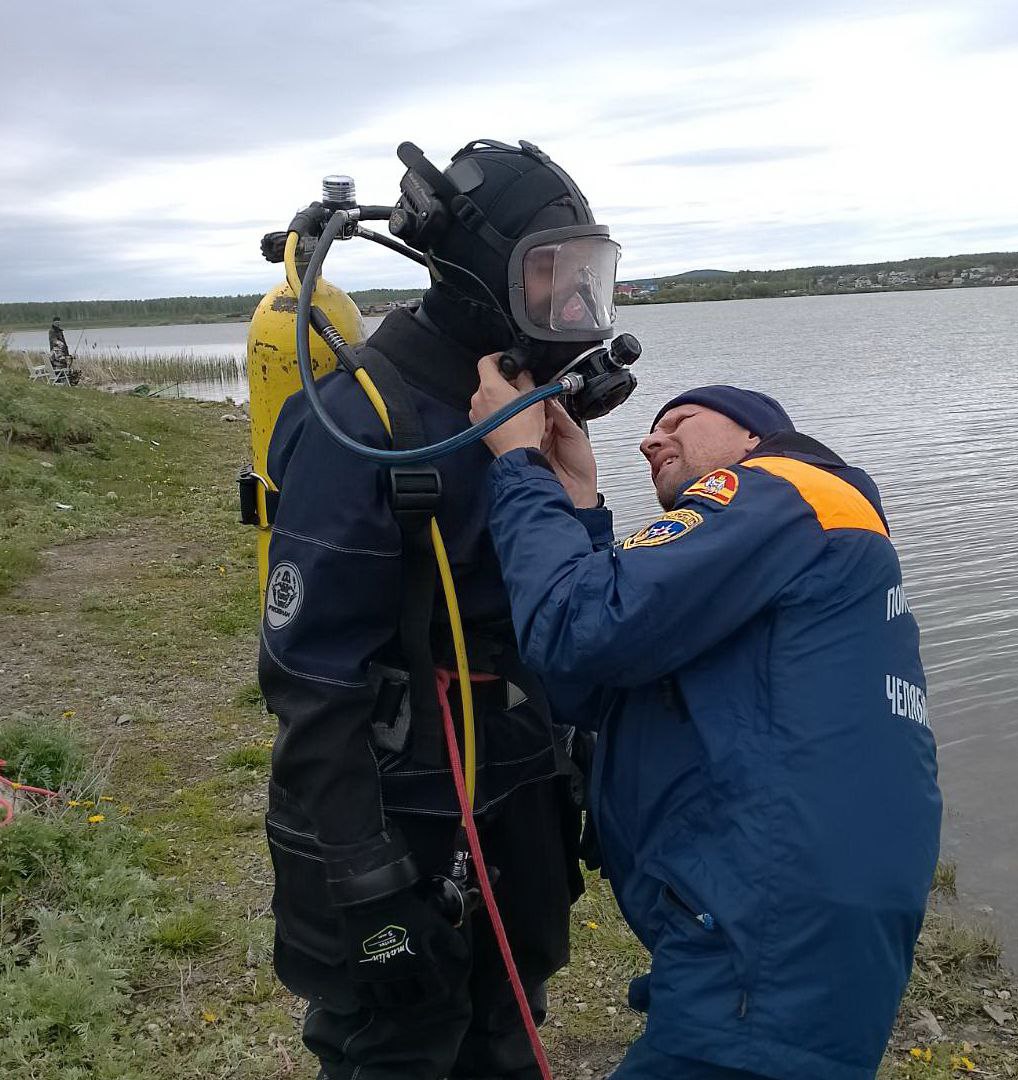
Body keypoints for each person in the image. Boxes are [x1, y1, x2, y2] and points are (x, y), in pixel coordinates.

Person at [258, 139, 623, 1080]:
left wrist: (581, 505)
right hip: (401, 818)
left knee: (507, 1033)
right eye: (550, 282)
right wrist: (366, 881)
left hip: (514, 801)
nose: (574, 312)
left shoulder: (517, 410)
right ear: (475, 280)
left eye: (587, 281)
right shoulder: (363, 426)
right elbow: (310, 683)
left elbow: (566, 611)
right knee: (400, 1047)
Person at [469, 368, 943, 1080]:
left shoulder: (786, 488)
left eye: (682, 419)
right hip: (784, 922)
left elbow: (577, 625)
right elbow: (589, 681)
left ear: (756, 435)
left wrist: (517, 464)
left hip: (767, 933)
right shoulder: (796, 543)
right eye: (652, 427)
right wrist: (579, 504)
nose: (652, 438)